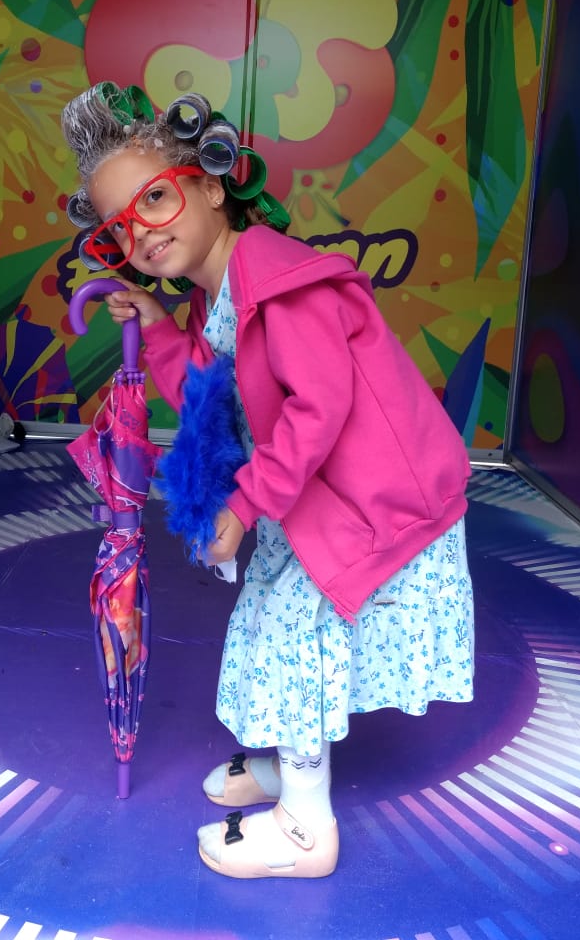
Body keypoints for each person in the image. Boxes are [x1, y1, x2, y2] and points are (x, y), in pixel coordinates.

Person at [62, 81, 474, 880]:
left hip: (369, 503)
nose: (142, 233)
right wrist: (158, 328)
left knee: (290, 637)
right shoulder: (216, 295)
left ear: (212, 187)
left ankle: (305, 830)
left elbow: (321, 407)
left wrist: (247, 506)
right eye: (119, 228)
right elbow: (213, 401)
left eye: (155, 199)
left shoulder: (278, 277)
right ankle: (290, 767)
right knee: (271, 627)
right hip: (309, 502)